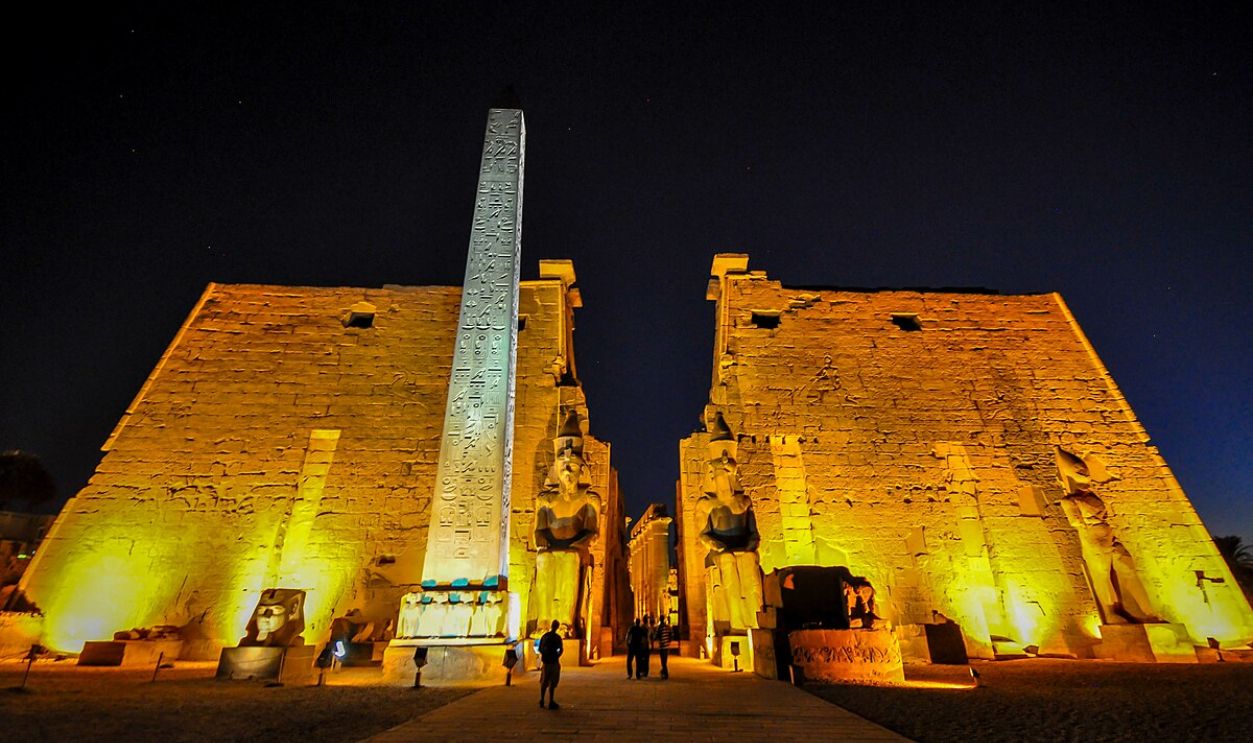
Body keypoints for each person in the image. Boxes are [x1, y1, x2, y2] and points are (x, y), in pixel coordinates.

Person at [538, 619, 563, 710]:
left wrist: (544, 655)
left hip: (546, 662)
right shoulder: (557, 637)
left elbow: (540, 648)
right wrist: (557, 656)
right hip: (553, 662)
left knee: (544, 681)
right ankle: (551, 701)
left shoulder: (545, 636)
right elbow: (561, 649)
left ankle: (542, 699)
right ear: (557, 627)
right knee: (552, 682)